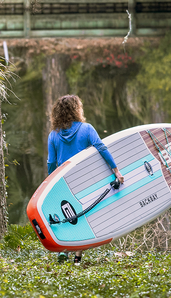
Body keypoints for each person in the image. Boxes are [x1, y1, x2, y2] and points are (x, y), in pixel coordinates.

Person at [47, 94, 124, 263]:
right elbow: (101, 148)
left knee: (66, 211)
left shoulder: (53, 135)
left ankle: (64, 250)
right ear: (76, 109)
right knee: (82, 213)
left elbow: (51, 162)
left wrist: (50, 183)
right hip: (84, 180)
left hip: (63, 180)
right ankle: (77, 257)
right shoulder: (86, 129)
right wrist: (116, 170)